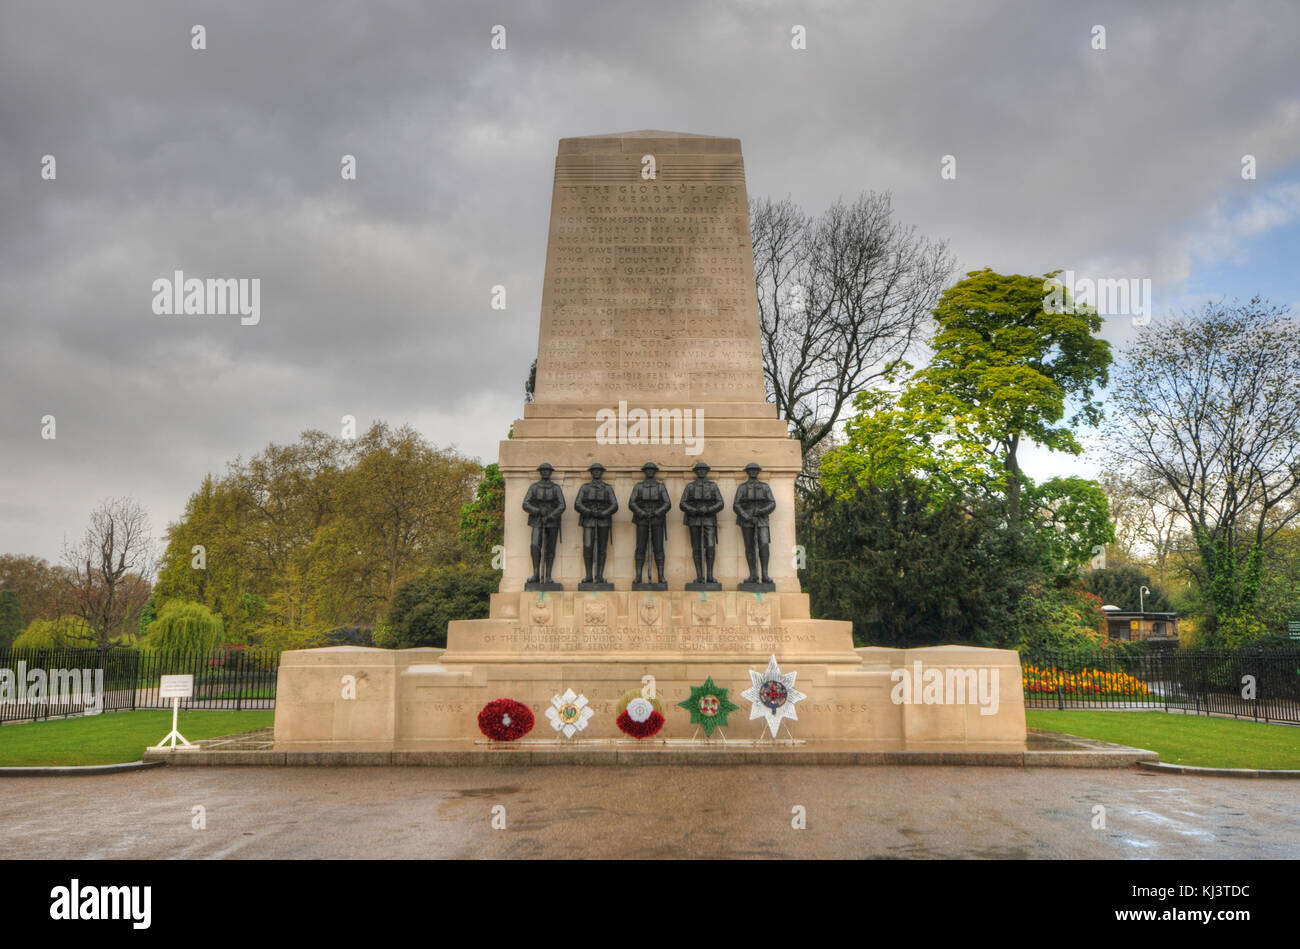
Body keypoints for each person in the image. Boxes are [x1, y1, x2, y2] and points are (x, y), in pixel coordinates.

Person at [679, 460, 724, 585]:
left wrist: (708, 509)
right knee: (697, 548)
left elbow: (720, 503)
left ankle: (709, 575)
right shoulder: (690, 486)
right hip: (694, 519)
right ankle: (699, 576)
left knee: (710, 547)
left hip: (709, 519)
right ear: (696, 472)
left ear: (707, 471)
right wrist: (695, 510)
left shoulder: (713, 486)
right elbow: (683, 503)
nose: (701, 472)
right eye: (699, 470)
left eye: (704, 470)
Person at [574, 462, 619, 584]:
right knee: (588, 547)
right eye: (594, 470)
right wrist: (589, 512)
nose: (597, 472)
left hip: (603, 520)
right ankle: (588, 575)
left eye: (599, 470)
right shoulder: (585, 487)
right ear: (591, 472)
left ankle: (600, 575)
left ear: (602, 472)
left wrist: (604, 513)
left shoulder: (607, 488)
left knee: (602, 549)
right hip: (588, 520)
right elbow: (577, 504)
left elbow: (614, 505)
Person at [628, 461, 671, 585]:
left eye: (652, 469)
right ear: (645, 471)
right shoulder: (638, 486)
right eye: (648, 469)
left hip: (657, 519)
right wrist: (641, 513)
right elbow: (632, 503)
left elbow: (667, 503)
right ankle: (638, 576)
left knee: (658, 548)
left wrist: (657, 512)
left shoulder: (660, 486)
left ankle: (661, 576)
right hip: (642, 519)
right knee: (640, 548)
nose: (650, 471)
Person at [522, 462, 565, 585]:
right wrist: (538, 511)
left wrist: (551, 515)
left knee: (550, 548)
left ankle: (548, 575)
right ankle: (536, 573)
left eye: (548, 470)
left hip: (552, 521)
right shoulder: (534, 487)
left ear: (551, 472)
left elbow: (562, 505)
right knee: (535, 545)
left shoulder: (556, 488)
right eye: (543, 470)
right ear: (540, 472)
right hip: (537, 520)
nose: (545, 472)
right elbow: (525, 503)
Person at [733, 462, 776, 585]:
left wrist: (761, 511)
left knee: (763, 545)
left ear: (758, 471)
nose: (753, 472)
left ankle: (765, 574)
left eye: (755, 470)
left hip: (762, 520)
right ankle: (753, 574)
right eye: (750, 470)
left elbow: (772, 503)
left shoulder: (765, 487)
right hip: (746, 521)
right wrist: (747, 516)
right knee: (750, 547)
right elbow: (736, 504)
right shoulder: (742, 487)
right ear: (747, 472)